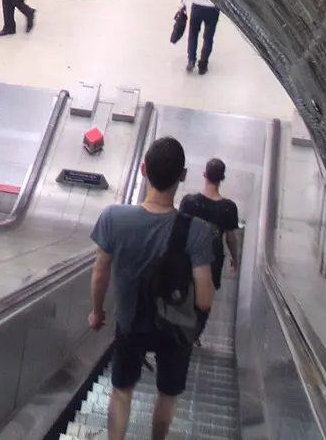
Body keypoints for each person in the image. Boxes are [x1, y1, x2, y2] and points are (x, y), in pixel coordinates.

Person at [88, 137, 218, 440]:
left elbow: (99, 274)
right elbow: (204, 297)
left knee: (121, 391)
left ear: (143, 170)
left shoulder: (113, 218)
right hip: (175, 329)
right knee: (167, 394)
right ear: (183, 175)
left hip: (131, 323)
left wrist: (96, 312)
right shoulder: (197, 231)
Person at [179, 158, 242, 340]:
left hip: (187, 257)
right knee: (204, 299)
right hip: (212, 261)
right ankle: (193, 334)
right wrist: (235, 259)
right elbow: (230, 238)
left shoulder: (189, 202)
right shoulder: (229, 208)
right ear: (222, 178)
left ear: (204, 174)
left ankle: (177, 331)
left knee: (184, 291)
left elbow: (179, 230)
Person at [178, 0, 219, 74]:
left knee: (193, 34)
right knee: (208, 37)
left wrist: (181, 1)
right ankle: (203, 65)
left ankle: (191, 60)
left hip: (197, 6)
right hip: (213, 7)